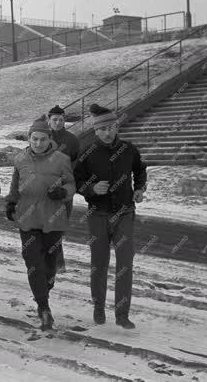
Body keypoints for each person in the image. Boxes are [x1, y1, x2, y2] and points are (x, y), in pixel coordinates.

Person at [74, 104, 147, 330]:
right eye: (102, 129)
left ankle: (122, 314)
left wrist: (139, 188)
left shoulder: (128, 149)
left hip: (124, 212)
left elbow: (140, 169)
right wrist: (92, 188)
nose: (107, 132)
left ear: (117, 127)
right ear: (96, 131)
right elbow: (77, 182)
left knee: (125, 263)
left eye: (111, 127)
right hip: (98, 214)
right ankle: (98, 307)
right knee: (99, 263)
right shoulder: (86, 152)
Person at [5, 120, 75, 331]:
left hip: (53, 219)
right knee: (33, 262)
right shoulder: (20, 159)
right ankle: (44, 308)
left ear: (49, 139)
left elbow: (71, 184)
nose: (38, 143)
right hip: (28, 219)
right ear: (29, 139)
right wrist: (10, 202)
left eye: (43, 139)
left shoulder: (61, 160)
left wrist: (64, 192)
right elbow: (15, 185)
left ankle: (45, 289)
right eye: (34, 139)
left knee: (49, 266)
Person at [46, 105, 80, 273]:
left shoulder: (72, 140)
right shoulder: (42, 138)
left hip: (65, 190)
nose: (58, 122)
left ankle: (57, 262)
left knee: (59, 227)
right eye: (55, 119)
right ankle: (55, 263)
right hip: (44, 189)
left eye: (61, 119)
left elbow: (76, 165)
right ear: (48, 120)